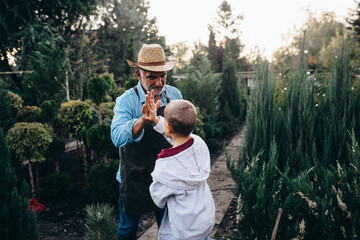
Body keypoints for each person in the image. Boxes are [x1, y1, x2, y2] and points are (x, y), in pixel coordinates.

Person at [111, 43, 183, 240]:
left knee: (168, 226)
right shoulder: (126, 101)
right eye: (152, 76)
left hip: (165, 176)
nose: (159, 82)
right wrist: (142, 120)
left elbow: (182, 132)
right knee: (127, 228)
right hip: (134, 176)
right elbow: (117, 137)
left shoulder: (174, 95)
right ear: (138, 74)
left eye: (163, 76)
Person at [146, 98, 215, 240]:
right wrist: (156, 120)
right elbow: (179, 139)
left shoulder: (165, 166)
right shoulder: (199, 144)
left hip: (182, 230)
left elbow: (158, 199)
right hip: (203, 222)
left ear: (168, 127)